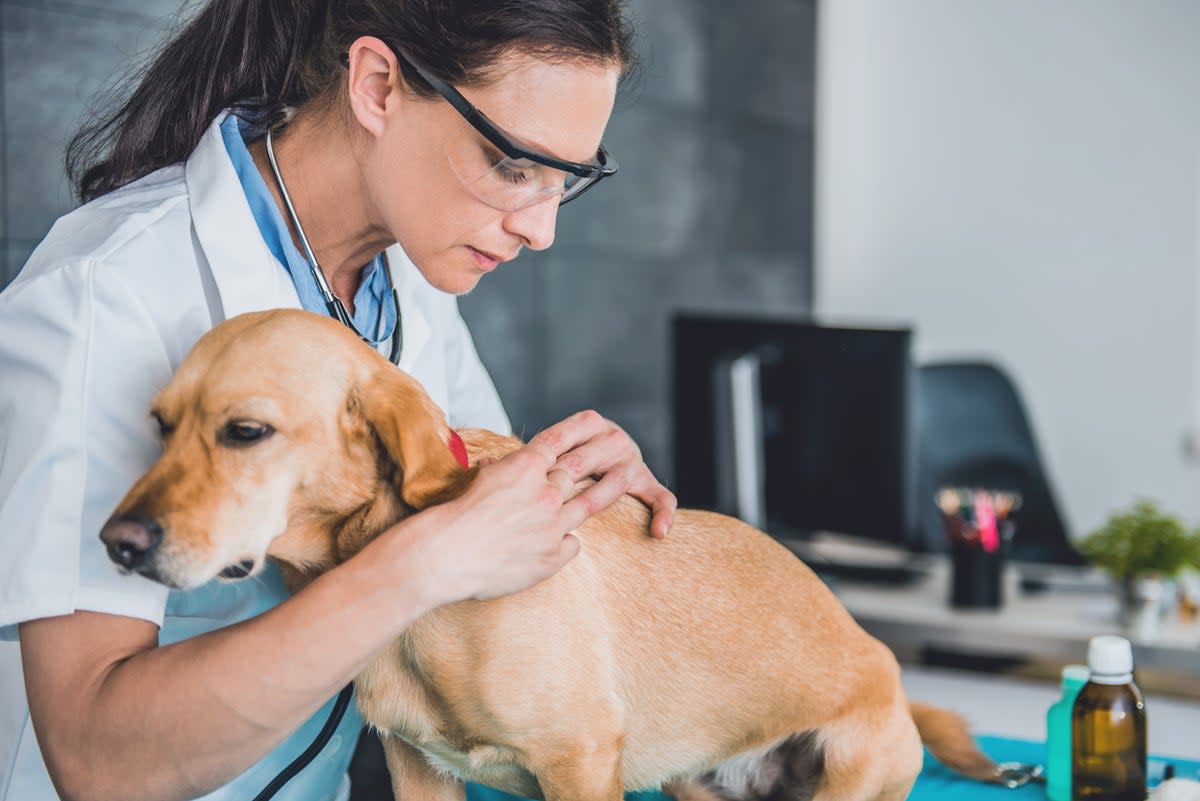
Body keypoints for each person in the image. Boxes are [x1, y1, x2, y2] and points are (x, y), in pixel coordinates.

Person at [0, 1, 677, 799]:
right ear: (379, 87)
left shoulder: (414, 288)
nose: (541, 229)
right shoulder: (104, 294)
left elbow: (490, 557)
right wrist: (420, 564)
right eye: (512, 165)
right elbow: (97, 760)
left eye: (568, 178)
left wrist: (577, 497)